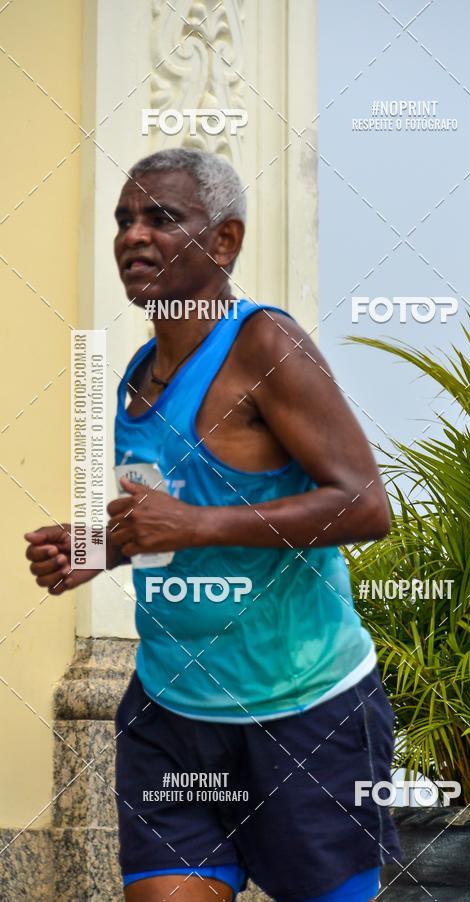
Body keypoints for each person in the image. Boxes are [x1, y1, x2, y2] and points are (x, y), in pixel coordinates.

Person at [24, 148, 401, 901]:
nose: (135, 236)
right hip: (173, 715)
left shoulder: (267, 346)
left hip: (306, 714)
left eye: (162, 218)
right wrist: (102, 547)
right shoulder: (137, 376)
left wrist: (197, 524)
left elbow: (365, 504)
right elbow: (169, 531)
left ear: (223, 241)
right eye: (125, 220)